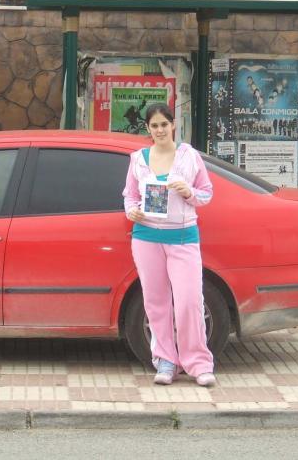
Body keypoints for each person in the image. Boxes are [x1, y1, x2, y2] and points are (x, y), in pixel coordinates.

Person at [122, 103, 216, 387]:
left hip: (184, 238)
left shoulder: (189, 157)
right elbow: (129, 195)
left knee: (189, 302)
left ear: (173, 125)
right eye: (154, 126)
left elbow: (206, 194)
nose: (160, 130)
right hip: (146, 238)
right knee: (156, 302)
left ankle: (199, 363)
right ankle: (165, 361)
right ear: (148, 129)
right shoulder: (138, 159)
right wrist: (132, 210)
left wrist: (189, 192)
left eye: (164, 124)